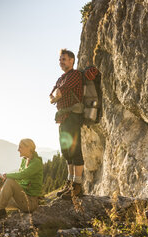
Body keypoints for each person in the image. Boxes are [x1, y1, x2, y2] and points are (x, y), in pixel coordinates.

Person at [49, 49, 99, 199]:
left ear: (72, 60)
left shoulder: (75, 75)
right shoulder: (60, 78)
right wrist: (55, 96)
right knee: (66, 151)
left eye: (64, 59)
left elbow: (58, 94)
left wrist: (56, 96)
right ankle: (70, 183)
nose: (61, 62)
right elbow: (51, 96)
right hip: (62, 117)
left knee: (74, 149)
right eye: (60, 60)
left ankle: (77, 185)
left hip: (73, 115)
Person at [0, 138, 43, 228]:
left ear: (29, 148)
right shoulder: (24, 161)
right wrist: (4, 189)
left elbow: (22, 175)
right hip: (21, 199)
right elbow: (19, 180)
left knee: (10, 181)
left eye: (20, 147)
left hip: (30, 202)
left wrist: (6, 176)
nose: (18, 150)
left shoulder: (36, 163)